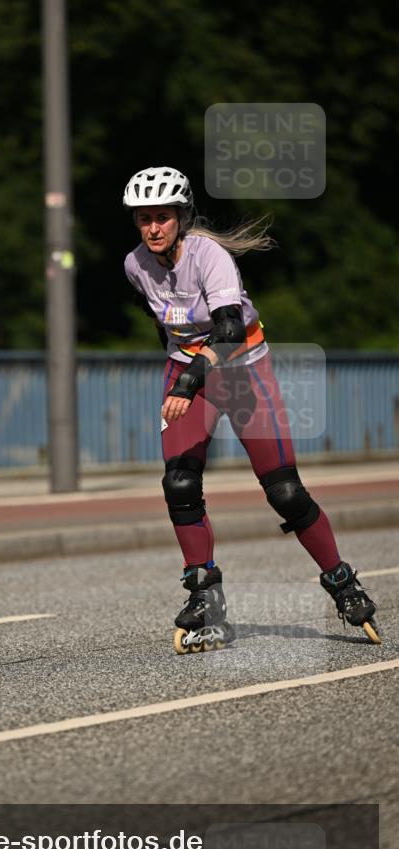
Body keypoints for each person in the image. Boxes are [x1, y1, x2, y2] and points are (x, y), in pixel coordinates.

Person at [122, 166, 381, 653]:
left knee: (284, 491)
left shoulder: (210, 256)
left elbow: (228, 329)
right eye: (143, 219)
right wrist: (184, 372)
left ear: (182, 217)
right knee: (179, 480)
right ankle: (204, 595)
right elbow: (166, 322)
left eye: (162, 217)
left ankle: (343, 582)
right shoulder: (135, 265)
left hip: (242, 371)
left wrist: (190, 378)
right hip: (189, 374)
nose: (153, 228)